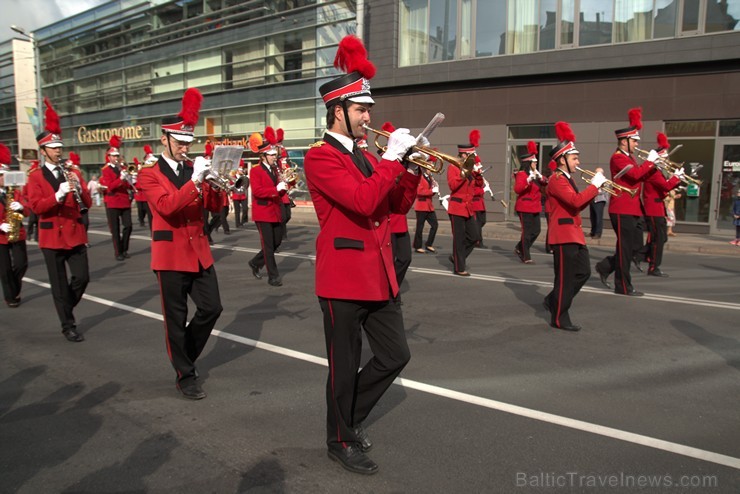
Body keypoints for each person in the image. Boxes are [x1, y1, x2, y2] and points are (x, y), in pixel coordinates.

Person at [303, 35, 419, 475]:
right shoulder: (320, 158)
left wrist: (407, 170)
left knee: (395, 355)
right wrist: (391, 160)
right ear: (338, 111)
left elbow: (393, 208)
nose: (369, 117)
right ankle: (339, 438)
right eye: (361, 109)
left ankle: (348, 419)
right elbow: (363, 201)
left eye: (368, 109)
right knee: (344, 364)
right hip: (343, 278)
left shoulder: (369, 156)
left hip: (379, 274)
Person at [136, 88, 225, 400]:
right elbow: (166, 206)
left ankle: (183, 354)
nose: (186, 147)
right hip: (170, 254)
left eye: (189, 141)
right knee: (175, 318)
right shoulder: (148, 174)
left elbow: (214, 206)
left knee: (212, 308)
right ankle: (185, 375)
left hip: (199, 252)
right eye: (180, 141)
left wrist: (219, 180)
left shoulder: (194, 169)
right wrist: (196, 181)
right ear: (165, 140)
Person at [26, 98, 92, 342]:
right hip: (52, 236)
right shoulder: (35, 178)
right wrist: (58, 194)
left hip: (74, 234)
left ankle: (66, 306)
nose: (58, 151)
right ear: (43, 151)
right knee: (58, 283)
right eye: (53, 148)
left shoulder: (71, 172)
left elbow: (87, 202)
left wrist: (78, 186)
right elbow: (36, 206)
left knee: (82, 278)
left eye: (59, 147)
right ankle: (68, 325)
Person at [543, 122, 607, 331]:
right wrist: (595, 186)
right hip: (563, 235)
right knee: (565, 278)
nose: (578, 161)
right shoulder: (557, 180)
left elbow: (578, 202)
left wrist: (595, 190)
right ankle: (559, 317)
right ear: (562, 160)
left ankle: (554, 300)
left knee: (584, 272)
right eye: (574, 158)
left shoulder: (568, 179)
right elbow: (575, 202)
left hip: (574, 234)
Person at [594, 108, 657, 296]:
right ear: (624, 141)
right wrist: (650, 162)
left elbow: (640, 178)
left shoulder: (630, 157)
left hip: (633, 208)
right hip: (621, 208)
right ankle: (622, 285)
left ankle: (605, 267)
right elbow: (635, 174)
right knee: (624, 248)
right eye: (634, 140)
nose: (637, 144)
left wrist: (654, 167)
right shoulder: (618, 158)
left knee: (632, 247)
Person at [636, 132, 683, 276]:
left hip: (657, 208)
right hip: (654, 209)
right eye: (664, 158)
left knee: (661, 238)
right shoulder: (654, 172)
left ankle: (641, 256)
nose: (666, 161)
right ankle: (652, 266)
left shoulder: (657, 171)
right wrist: (676, 178)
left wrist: (675, 181)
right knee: (658, 239)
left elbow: (662, 190)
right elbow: (665, 186)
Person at [247, 127, 286, 287]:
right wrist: (275, 190)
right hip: (263, 212)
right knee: (268, 246)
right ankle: (273, 276)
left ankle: (255, 262)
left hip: (275, 211)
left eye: (274, 155)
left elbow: (278, 188)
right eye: (271, 155)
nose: (274, 157)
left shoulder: (275, 169)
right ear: (263, 156)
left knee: (277, 242)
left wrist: (285, 185)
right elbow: (257, 191)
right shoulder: (255, 171)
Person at [447, 130, 484, 276]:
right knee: (459, 239)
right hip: (456, 207)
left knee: (474, 237)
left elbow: (478, 186)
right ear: (463, 155)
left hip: (468, 208)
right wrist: (465, 174)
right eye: (471, 155)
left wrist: (478, 175)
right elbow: (452, 185)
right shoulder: (453, 167)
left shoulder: (471, 168)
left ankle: (457, 257)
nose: (474, 158)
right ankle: (459, 267)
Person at [0, 144, 28, 308]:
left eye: (5, 175)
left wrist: (21, 207)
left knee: (21, 264)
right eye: (1, 175)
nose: (4, 178)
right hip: (1, 236)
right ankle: (11, 297)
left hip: (17, 233)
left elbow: (29, 209)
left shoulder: (15, 192)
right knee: (4, 269)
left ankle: (14, 287)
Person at [99, 135, 134, 260]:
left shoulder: (123, 168)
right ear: (109, 157)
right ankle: (118, 252)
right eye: (113, 156)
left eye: (117, 156)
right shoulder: (106, 170)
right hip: (113, 202)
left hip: (124, 201)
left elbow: (128, 186)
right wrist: (120, 179)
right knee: (115, 229)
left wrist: (131, 180)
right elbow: (110, 187)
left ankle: (124, 249)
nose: (116, 158)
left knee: (128, 226)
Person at [513, 141, 547, 264]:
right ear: (528, 163)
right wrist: (528, 180)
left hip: (535, 206)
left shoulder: (536, 174)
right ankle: (525, 255)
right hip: (524, 206)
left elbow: (545, 182)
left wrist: (539, 176)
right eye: (534, 162)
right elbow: (517, 189)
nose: (536, 163)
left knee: (536, 231)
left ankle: (519, 247)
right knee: (527, 232)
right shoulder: (521, 174)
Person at [413, 165, 439, 254]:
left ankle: (429, 244)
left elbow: (430, 192)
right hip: (421, 206)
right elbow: (419, 191)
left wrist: (434, 190)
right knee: (420, 227)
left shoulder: (430, 178)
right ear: (425, 169)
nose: (431, 171)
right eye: (429, 169)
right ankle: (417, 246)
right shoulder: (420, 178)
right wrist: (432, 191)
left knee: (435, 225)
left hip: (429, 206)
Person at [588, 167, 608, 239]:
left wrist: (595, 189)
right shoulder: (593, 179)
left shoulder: (605, 181)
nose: (596, 174)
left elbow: (603, 191)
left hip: (600, 200)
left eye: (598, 173)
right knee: (592, 217)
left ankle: (598, 233)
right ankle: (593, 231)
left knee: (598, 217)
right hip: (593, 200)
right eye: (596, 172)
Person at [231, 163, 248, 227]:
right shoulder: (233, 177)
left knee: (245, 209)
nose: (242, 171)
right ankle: (237, 223)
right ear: (237, 171)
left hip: (243, 195)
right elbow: (231, 185)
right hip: (236, 195)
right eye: (241, 170)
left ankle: (243, 221)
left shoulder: (244, 177)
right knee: (237, 211)